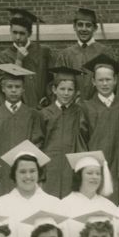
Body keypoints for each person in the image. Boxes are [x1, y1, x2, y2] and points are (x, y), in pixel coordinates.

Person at [0, 63, 44, 196]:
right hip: (2, 175)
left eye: (17, 87)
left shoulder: (33, 115)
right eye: (10, 87)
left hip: (27, 174)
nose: (13, 90)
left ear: (23, 89)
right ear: (3, 88)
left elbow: (37, 145)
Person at [0, 141, 61, 237]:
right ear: (14, 174)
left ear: (39, 173)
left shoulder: (54, 203)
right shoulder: (0, 205)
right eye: (22, 172)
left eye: (32, 171)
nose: (28, 176)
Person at [81, 53, 119, 203]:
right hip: (95, 167)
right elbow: (81, 140)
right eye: (100, 80)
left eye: (108, 79)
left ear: (115, 80)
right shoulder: (85, 107)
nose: (104, 84)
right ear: (93, 81)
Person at [57, 151, 119, 237]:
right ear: (79, 176)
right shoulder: (64, 206)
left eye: (98, 173)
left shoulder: (109, 206)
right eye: (89, 173)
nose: (94, 177)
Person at [39, 66, 91, 198]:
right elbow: (38, 143)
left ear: (76, 92)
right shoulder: (44, 114)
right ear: (54, 90)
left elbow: (84, 140)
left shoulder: (80, 113)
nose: (66, 93)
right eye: (62, 89)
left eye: (70, 89)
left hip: (71, 168)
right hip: (49, 167)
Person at [0, 8, 52, 109]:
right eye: (14, 32)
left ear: (29, 34)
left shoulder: (43, 52)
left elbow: (51, 80)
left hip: (42, 108)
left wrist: (47, 98)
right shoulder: (3, 56)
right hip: (18, 109)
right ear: (10, 31)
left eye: (22, 33)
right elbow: (4, 85)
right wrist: (19, 60)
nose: (17, 37)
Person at [55, 7, 115, 101]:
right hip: (73, 107)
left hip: (99, 107)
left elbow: (112, 83)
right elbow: (59, 83)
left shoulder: (105, 52)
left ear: (95, 28)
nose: (84, 29)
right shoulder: (66, 55)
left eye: (88, 25)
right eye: (80, 25)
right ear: (74, 27)